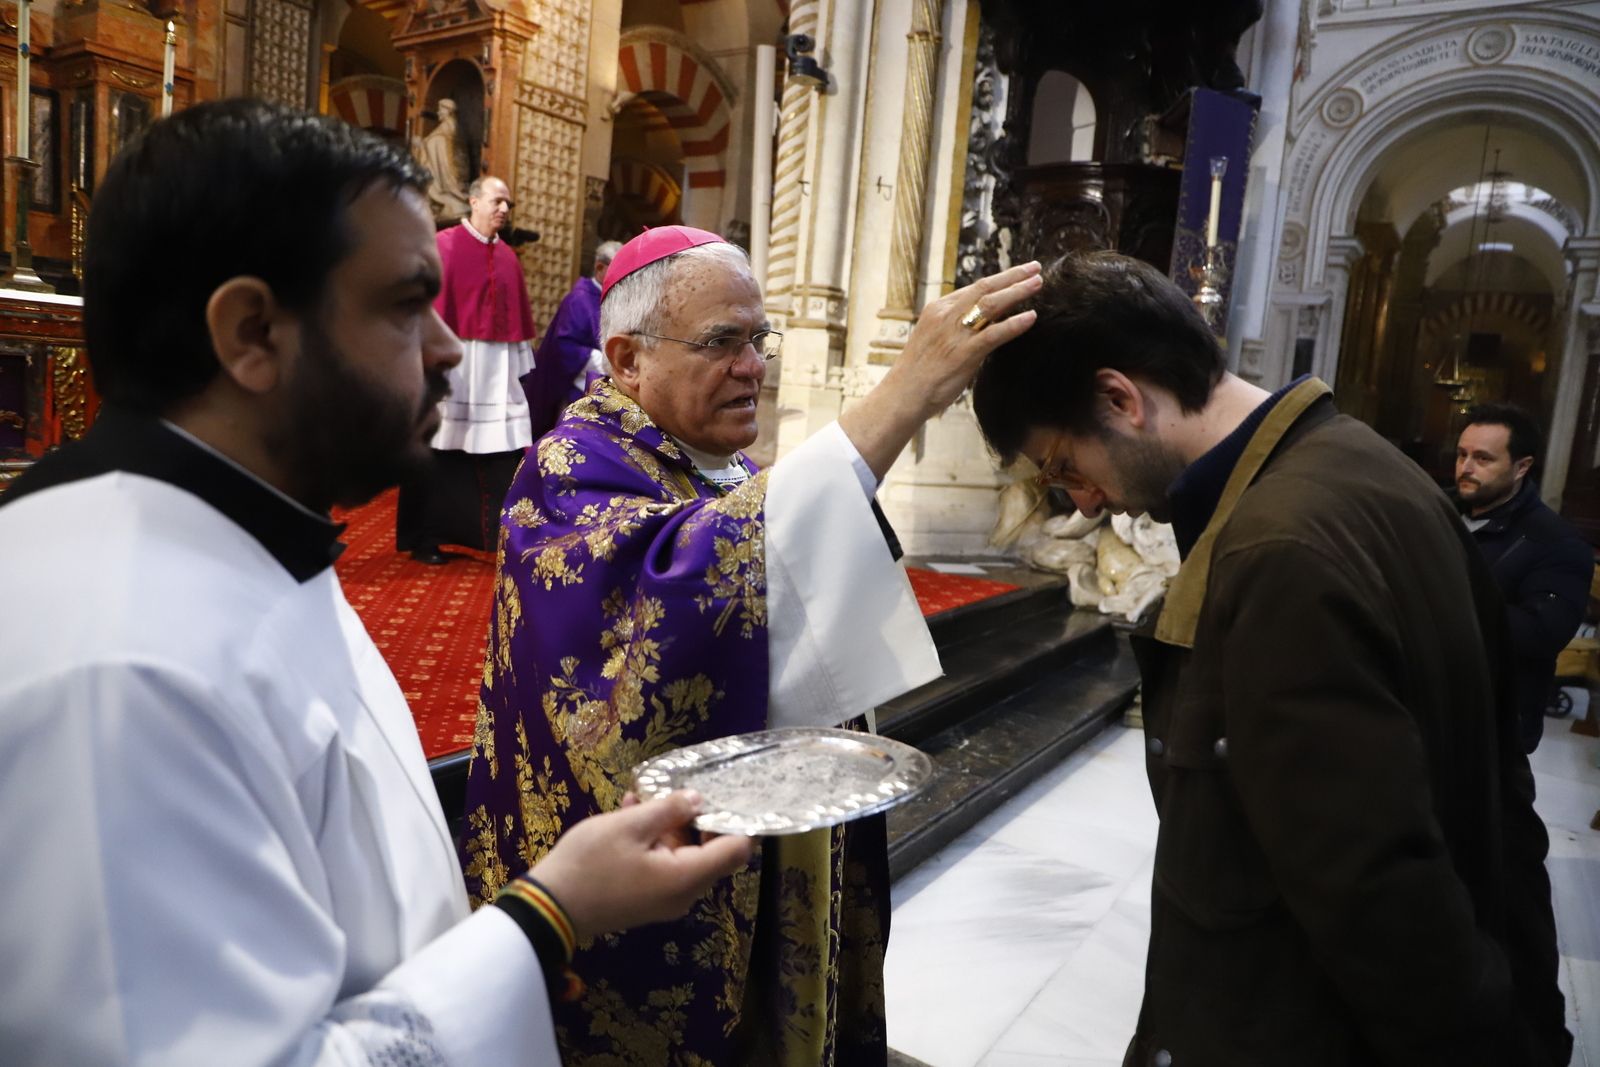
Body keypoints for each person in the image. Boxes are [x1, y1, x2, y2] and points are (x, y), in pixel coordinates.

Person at [0, 99, 753, 1067]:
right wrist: (545, 916)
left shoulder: (232, 530)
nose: (446, 348)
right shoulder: (115, 665)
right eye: (405, 305)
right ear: (252, 332)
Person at [970, 252, 1570, 1066]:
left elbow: (1377, 895)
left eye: (1067, 465)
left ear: (1120, 399)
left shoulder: (1275, 548)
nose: (1081, 498)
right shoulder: (1369, 463)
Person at [460, 223, 1041, 1063]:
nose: (754, 366)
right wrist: (904, 391)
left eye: (758, 339)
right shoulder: (568, 466)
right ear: (625, 360)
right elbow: (677, 592)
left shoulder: (712, 464)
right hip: (633, 906)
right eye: (723, 342)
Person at [395, 173, 536, 564]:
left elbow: (517, 326)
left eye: (509, 203)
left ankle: (497, 538)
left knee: (501, 455)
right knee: (437, 451)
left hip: (494, 375)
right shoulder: (443, 247)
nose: (505, 209)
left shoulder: (508, 257)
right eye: (497, 201)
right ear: (473, 202)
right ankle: (425, 538)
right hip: (453, 370)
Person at [1456, 403, 1593, 752]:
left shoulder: (1555, 541)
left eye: (1483, 459)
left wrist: (1447, 597)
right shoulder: (1435, 511)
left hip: (1491, 728)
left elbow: (1541, 634)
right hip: (1419, 706)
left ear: (1522, 467)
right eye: (1461, 455)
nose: (1466, 468)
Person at [522, 239, 623, 439]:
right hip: (577, 388)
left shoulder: (614, 297)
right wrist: (607, 360)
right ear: (599, 267)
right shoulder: (579, 299)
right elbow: (564, 346)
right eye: (615, 270)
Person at [417, 97, 471, 220]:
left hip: (450, 167)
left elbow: (437, 142)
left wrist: (422, 144)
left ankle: (448, 198)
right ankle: (440, 203)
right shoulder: (448, 126)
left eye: (440, 110)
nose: (438, 113)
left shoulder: (449, 125)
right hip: (450, 165)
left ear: (448, 111)